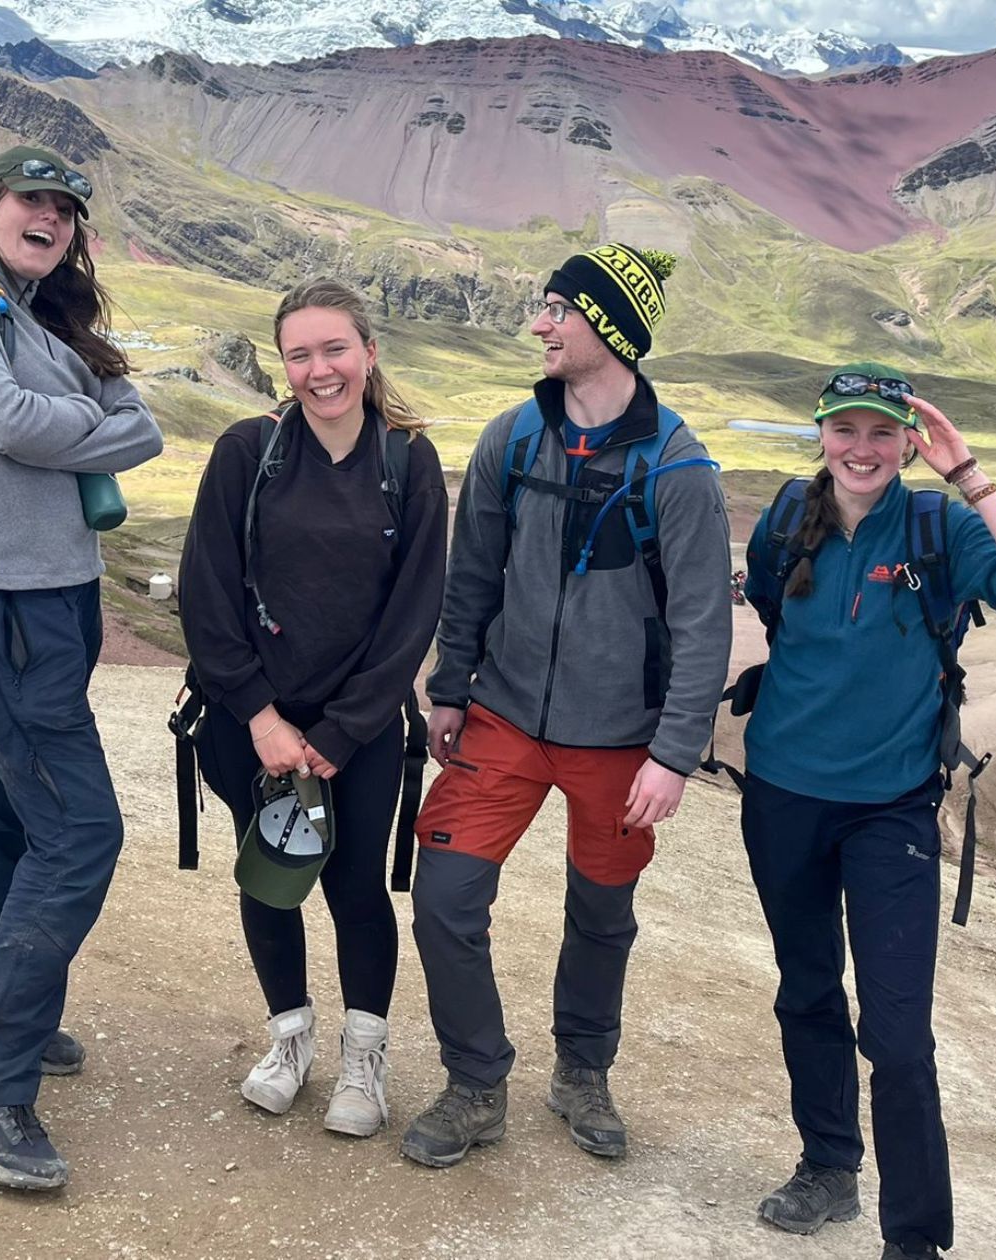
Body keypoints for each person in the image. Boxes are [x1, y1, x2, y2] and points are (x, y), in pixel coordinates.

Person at [402, 244, 732, 1169]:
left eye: (560, 309)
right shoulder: (511, 438)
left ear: (612, 329)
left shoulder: (680, 469)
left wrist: (674, 754)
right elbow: (472, 575)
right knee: (444, 899)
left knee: (602, 910)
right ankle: (476, 1083)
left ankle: (583, 1071)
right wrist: (450, 686)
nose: (541, 324)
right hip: (503, 718)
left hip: (621, 740)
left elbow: (703, 624)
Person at [737, 364, 996, 1260]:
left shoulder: (940, 527)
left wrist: (970, 476)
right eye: (845, 430)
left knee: (896, 1032)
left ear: (908, 443)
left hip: (890, 809)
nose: (862, 449)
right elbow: (773, 611)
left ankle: (915, 1240)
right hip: (782, 794)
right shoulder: (785, 518)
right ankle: (828, 1167)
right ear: (821, 434)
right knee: (807, 989)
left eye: (882, 432)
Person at [0, 145, 164, 1191]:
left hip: (59, 596)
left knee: (15, 812)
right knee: (81, 830)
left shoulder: (46, 316)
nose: (48, 216)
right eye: (30, 199)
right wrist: (83, 420)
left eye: (65, 207)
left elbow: (141, 432)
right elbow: (3, 420)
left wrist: (62, 422)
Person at [177, 278, 448, 1138]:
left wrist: (343, 730)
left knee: (356, 887)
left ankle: (364, 1060)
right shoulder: (246, 452)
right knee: (270, 876)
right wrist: (261, 718)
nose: (320, 370)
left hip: (358, 732)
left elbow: (413, 614)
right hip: (249, 726)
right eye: (300, 355)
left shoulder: (409, 462)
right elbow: (207, 592)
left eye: (335, 349)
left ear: (368, 353)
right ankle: (288, 1043)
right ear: (283, 364)